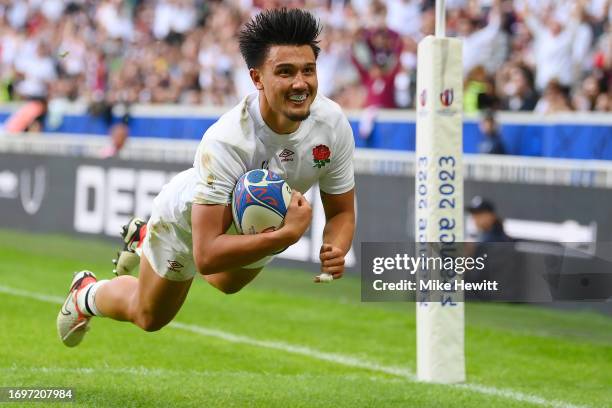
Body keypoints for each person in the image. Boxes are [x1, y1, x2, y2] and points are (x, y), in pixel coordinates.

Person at [57, 9, 356, 347]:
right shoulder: (228, 139)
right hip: (188, 223)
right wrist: (287, 235)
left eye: (308, 70)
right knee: (149, 316)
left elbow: (342, 211)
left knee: (227, 283)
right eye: (285, 72)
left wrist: (336, 248)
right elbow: (207, 254)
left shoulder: (332, 125)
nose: (301, 83)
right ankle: (86, 293)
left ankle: (143, 241)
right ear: (257, 78)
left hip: (256, 223)